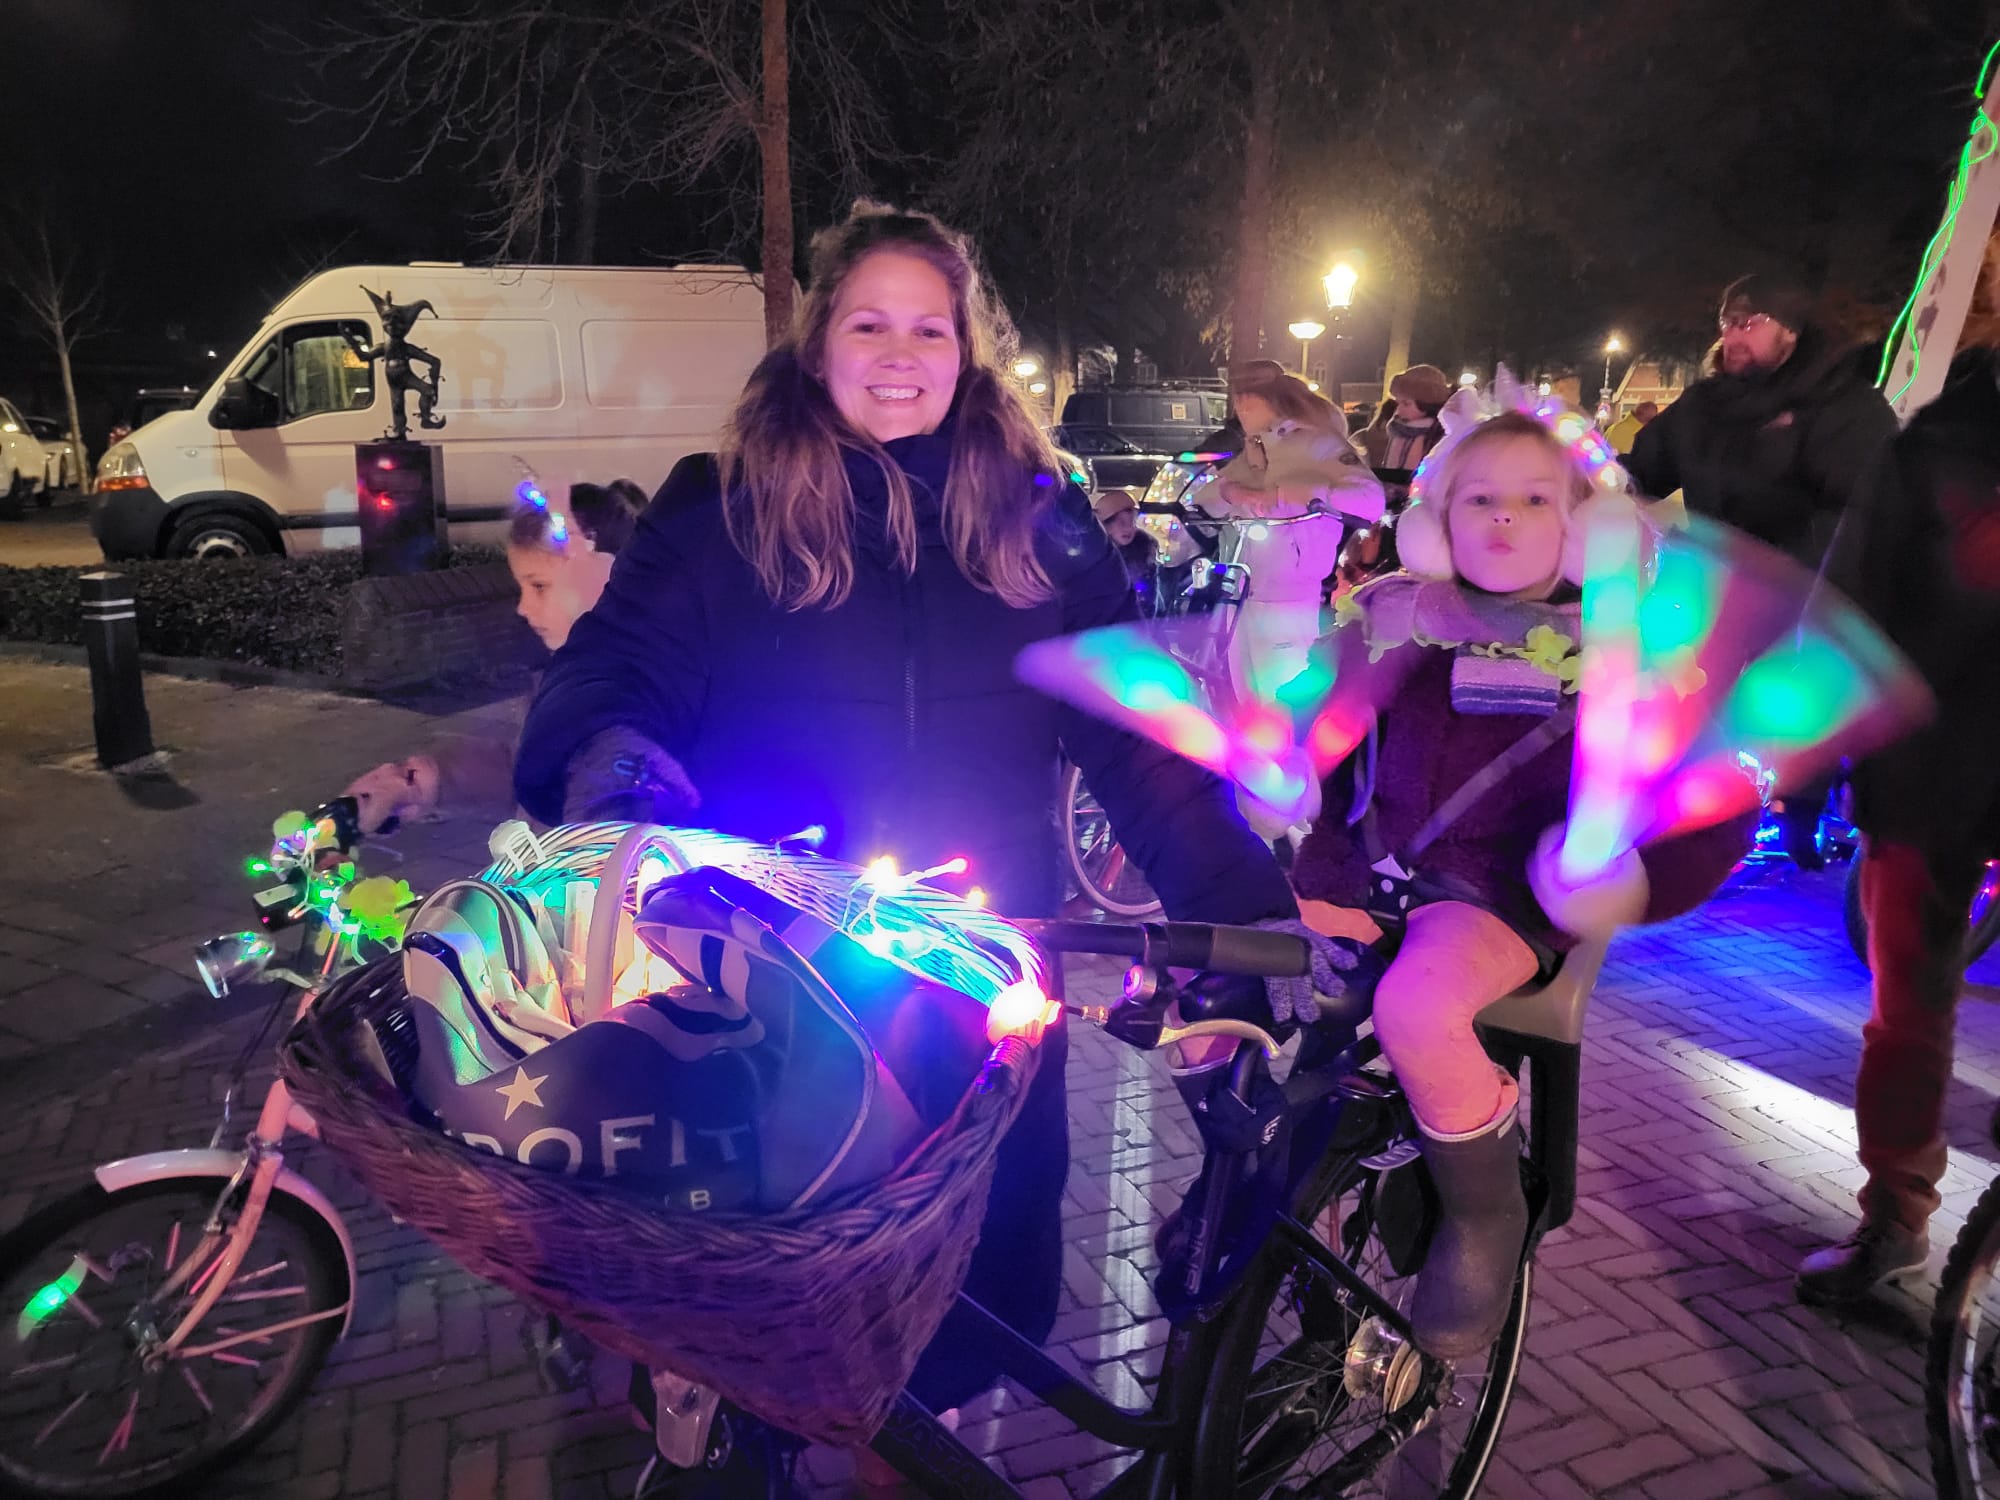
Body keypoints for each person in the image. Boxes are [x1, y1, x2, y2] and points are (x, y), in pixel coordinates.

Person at [510, 201, 1297, 1426]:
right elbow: (619, 667)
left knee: (957, 1330)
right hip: (768, 983)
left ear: (966, 354)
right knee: (757, 1313)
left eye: (929, 330)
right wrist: (613, 769)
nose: (898, 352)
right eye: (869, 322)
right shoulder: (720, 511)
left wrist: (1238, 904)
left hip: (980, 985)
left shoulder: (1037, 525)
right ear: (818, 341)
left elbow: (1135, 733)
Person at [1282, 405, 1753, 1357]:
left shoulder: (1633, 655)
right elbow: (1314, 735)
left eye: (1536, 501)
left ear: (1583, 526)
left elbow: (1710, 799)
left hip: (1498, 895)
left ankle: (1484, 1211)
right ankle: (1250, 1203)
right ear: (1436, 521)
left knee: (1416, 1007)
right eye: (1479, 499)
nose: (1503, 519)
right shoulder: (1395, 618)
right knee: (1243, 976)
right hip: (1361, 870)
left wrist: (1632, 878)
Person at [1796, 235, 2000, 1305]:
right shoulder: (1929, 448)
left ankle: (1900, 1233)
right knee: (1908, 1009)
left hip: (1930, 767)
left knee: (1907, 1008)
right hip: (1930, 773)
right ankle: (1894, 1223)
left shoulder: (1932, 446)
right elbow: (1850, 607)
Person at [1628, 273, 1897, 868]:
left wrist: (1792, 576)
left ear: (1792, 333)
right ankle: (1681, 816)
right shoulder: (1705, 404)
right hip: (1707, 582)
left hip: (1802, 587)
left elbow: (1863, 505)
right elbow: (1642, 468)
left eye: (1748, 322)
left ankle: (1797, 816)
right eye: (1726, 322)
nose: (1731, 336)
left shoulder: (1845, 406)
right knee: (1679, 689)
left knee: (1787, 708)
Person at [341, 481, 647, 834]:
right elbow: (526, 765)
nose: (523, 608)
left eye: (539, 586)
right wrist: (418, 782)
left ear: (607, 575)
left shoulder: (642, 695)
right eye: (521, 587)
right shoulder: (565, 675)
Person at [1209, 370, 1384, 700]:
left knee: (1283, 696)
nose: (1241, 407)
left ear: (1278, 400)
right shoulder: (1255, 449)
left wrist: (1296, 494)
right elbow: (1210, 498)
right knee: (1244, 696)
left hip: (1289, 593)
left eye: (1250, 399)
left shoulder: (1318, 444)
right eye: (1238, 401)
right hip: (1244, 591)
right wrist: (1232, 492)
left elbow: (1369, 500)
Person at [1360, 364, 1452, 476]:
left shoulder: (1444, 437)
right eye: (1398, 403)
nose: (1398, 410)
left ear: (1426, 404)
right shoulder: (1396, 429)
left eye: (1406, 404)